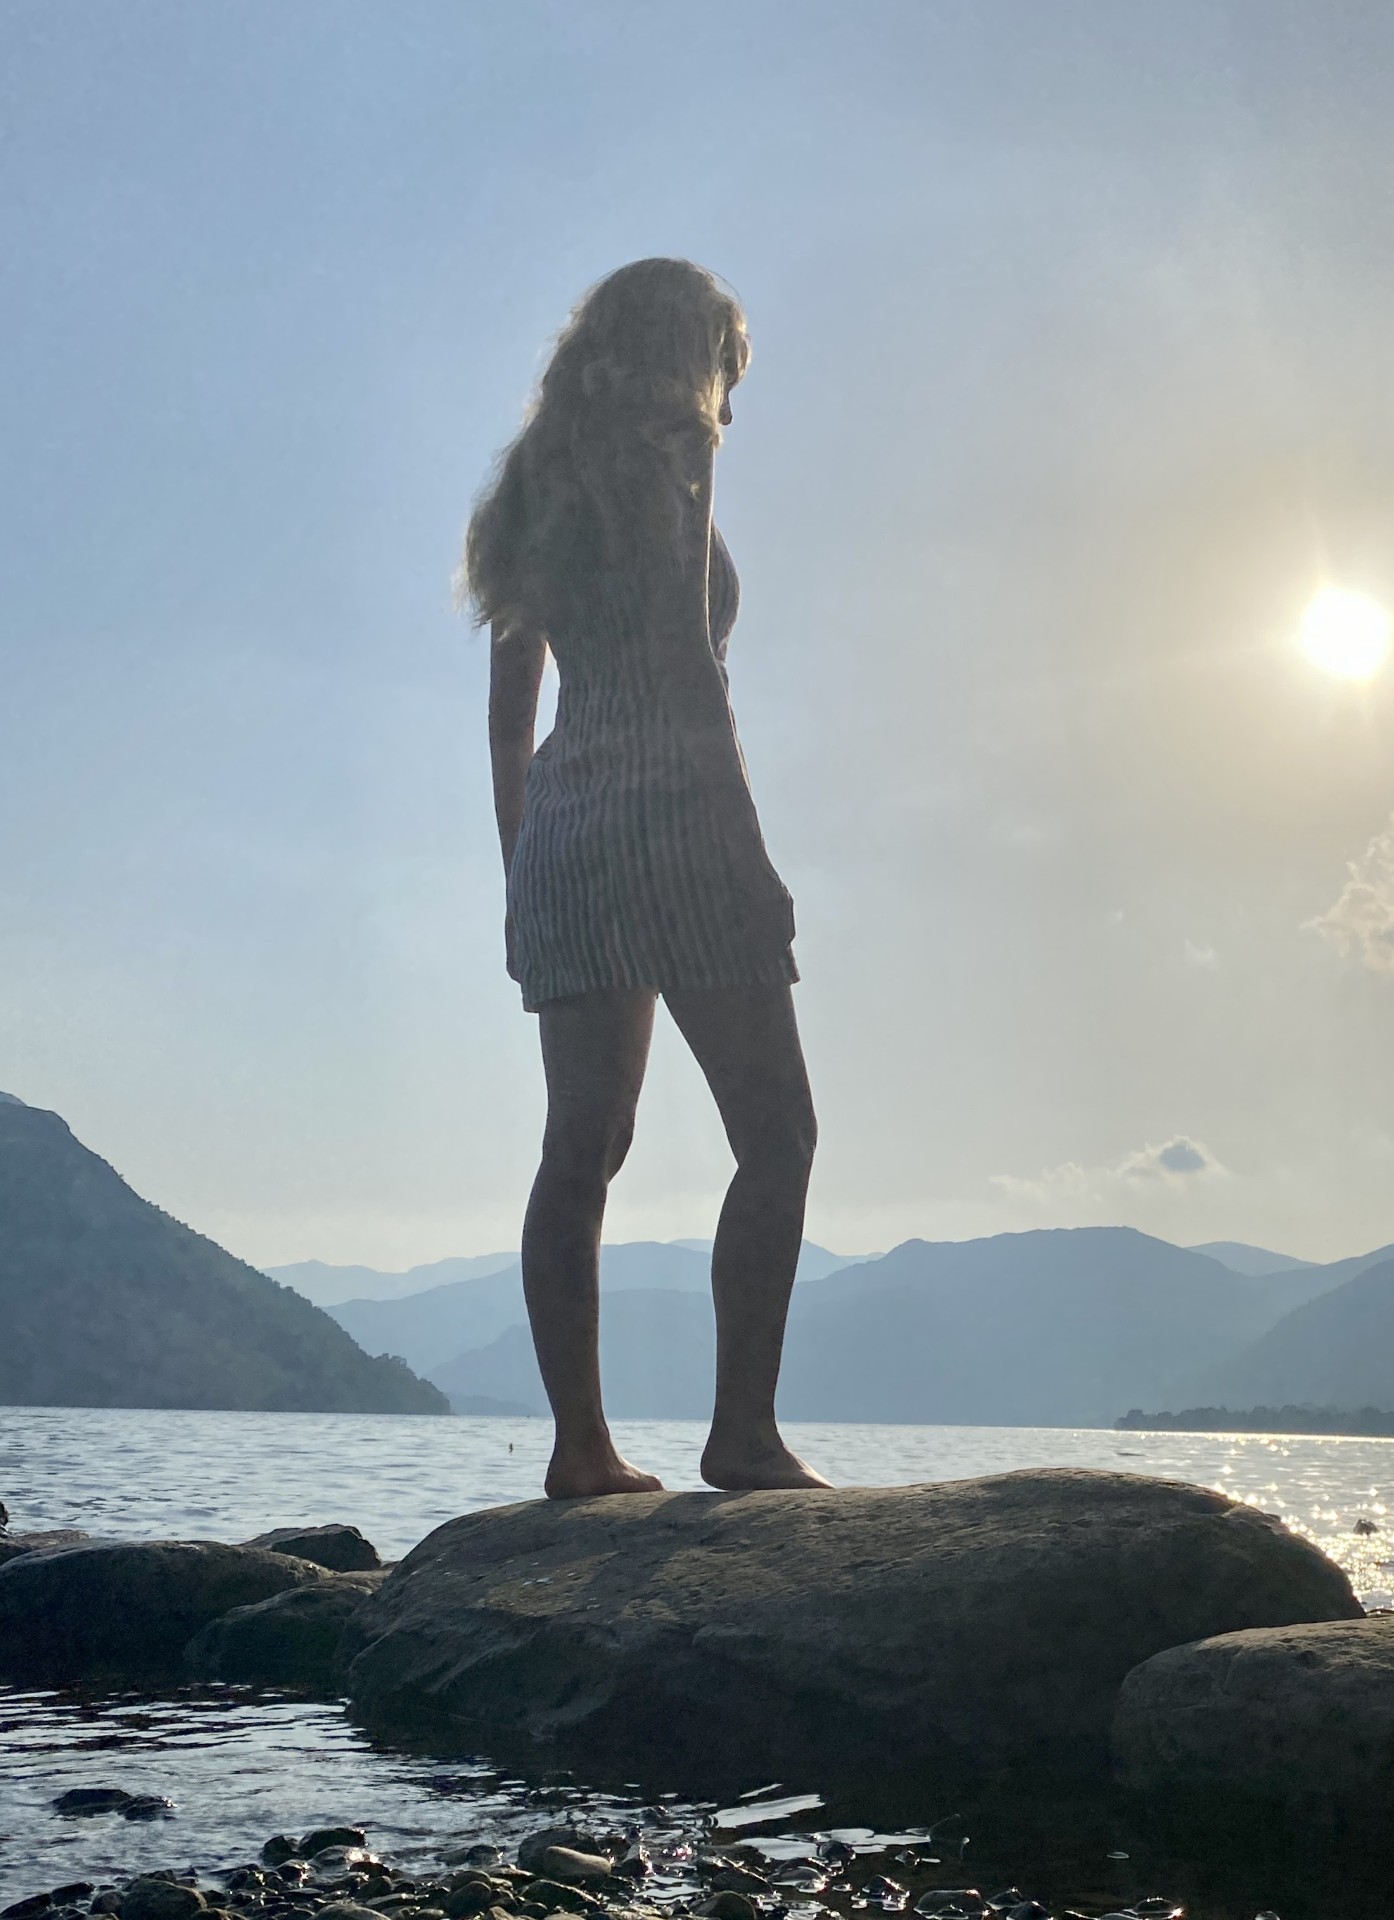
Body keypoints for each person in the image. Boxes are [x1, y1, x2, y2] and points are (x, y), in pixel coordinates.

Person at [465, 258, 827, 1497]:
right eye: (730, 366)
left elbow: (510, 720)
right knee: (778, 1131)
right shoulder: (678, 445)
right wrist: (743, 851)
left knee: (583, 1143)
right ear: (693, 354)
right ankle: (744, 1437)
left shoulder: (533, 478)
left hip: (566, 824)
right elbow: (689, 666)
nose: (733, 395)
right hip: (675, 811)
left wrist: (523, 876)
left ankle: (580, 1451)